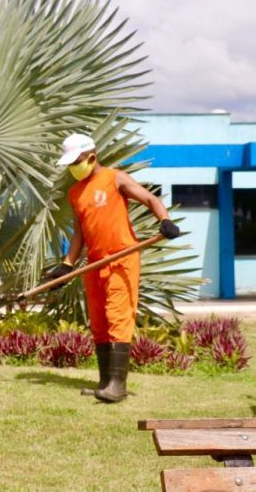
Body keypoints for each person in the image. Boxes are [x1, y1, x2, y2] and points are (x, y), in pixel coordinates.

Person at [47, 133, 180, 403]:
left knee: (118, 317)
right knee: (99, 321)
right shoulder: (75, 193)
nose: (74, 168)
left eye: (77, 161)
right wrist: (66, 264)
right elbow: (80, 234)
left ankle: (118, 386)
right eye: (70, 163)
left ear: (91, 156)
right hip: (95, 263)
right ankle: (105, 382)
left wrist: (164, 220)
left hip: (121, 258)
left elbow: (150, 199)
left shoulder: (114, 178)